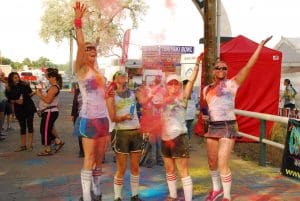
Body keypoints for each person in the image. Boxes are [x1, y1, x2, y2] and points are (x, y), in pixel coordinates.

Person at [201, 36, 272, 201]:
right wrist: (204, 114)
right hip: (212, 127)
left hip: (228, 126)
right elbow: (206, 106)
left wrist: (260, 46)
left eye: (224, 68)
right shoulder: (206, 89)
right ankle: (216, 190)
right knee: (212, 162)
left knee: (222, 163)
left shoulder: (232, 84)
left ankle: (227, 196)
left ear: (227, 71)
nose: (221, 70)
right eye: (218, 68)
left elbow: (249, 66)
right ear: (213, 71)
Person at [73, 2, 109, 201]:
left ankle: (96, 185)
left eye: (93, 49)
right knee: (88, 158)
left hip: (103, 119)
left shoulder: (98, 72)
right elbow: (80, 44)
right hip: (88, 119)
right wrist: (78, 23)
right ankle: (86, 195)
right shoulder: (81, 69)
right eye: (88, 49)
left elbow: (104, 96)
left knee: (99, 158)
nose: (91, 51)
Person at [106, 71, 143, 201]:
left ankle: (135, 195)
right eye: (120, 75)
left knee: (135, 166)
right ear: (115, 79)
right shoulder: (111, 95)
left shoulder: (133, 93)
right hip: (121, 133)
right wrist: (123, 117)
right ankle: (117, 197)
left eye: (124, 75)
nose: (123, 76)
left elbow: (146, 102)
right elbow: (112, 117)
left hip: (136, 131)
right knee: (121, 168)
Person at [35, 68, 64, 156]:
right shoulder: (53, 87)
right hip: (49, 111)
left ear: (53, 78)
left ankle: (47, 149)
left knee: (44, 130)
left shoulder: (54, 87)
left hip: (50, 112)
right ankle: (58, 142)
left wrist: (39, 95)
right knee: (47, 129)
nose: (47, 79)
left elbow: (48, 101)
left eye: (48, 77)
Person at [5, 72, 37, 151]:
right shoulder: (9, 88)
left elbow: (30, 94)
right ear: (11, 79)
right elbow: (9, 100)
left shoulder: (24, 85)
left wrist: (35, 92)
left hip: (29, 107)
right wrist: (16, 101)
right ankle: (23, 146)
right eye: (15, 77)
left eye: (17, 77)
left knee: (30, 125)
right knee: (22, 127)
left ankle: (30, 145)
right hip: (19, 109)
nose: (17, 79)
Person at [71, 82, 84, 157]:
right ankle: (82, 151)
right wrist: (73, 114)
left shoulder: (91, 91)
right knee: (80, 134)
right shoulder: (78, 91)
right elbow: (74, 103)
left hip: (90, 116)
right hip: (79, 115)